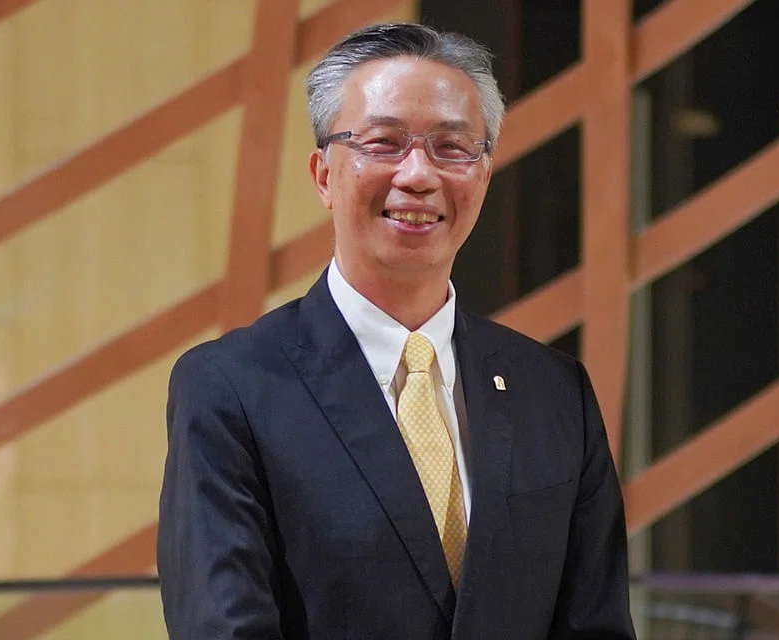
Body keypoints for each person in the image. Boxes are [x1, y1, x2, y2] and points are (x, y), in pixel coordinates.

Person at [157, 22, 636, 639]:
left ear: (484, 174)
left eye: (452, 147)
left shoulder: (555, 391)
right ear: (324, 175)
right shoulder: (231, 388)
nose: (418, 175)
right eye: (384, 143)